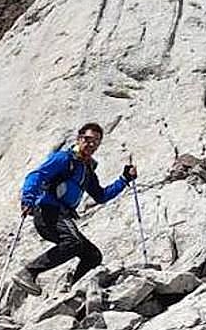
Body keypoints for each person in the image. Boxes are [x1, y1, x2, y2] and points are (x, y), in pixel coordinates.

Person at [11, 121, 137, 295]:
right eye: (88, 139)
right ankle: (28, 272)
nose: (91, 144)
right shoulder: (64, 158)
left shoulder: (87, 171)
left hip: (62, 215)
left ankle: (73, 290)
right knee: (74, 242)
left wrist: (124, 180)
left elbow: (100, 196)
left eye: (96, 142)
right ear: (79, 139)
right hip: (48, 211)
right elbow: (36, 175)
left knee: (92, 256)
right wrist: (28, 199)